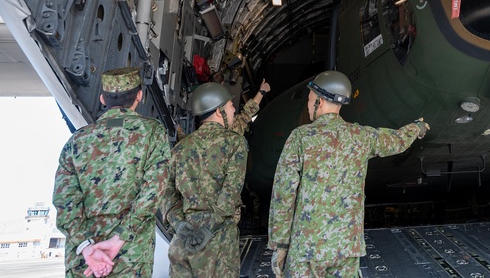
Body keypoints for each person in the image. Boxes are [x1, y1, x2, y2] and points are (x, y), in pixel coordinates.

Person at [268, 71, 428, 277]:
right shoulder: (361, 136)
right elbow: (397, 141)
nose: (308, 106)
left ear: (319, 101)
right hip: (347, 247)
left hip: (308, 249)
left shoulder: (300, 138)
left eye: (309, 100)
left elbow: (283, 193)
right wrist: (417, 127)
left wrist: (280, 244)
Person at [53, 67, 171, 278]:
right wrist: (120, 238)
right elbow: (153, 191)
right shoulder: (152, 132)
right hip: (130, 254)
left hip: (84, 260)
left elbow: (64, 202)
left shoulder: (76, 141)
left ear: (102, 98)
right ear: (139, 96)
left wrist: (86, 246)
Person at [164, 83, 248, 278]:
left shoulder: (179, 149)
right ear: (219, 111)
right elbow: (231, 191)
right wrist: (208, 231)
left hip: (183, 240)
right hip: (218, 241)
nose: (234, 110)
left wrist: (179, 226)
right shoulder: (234, 143)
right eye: (230, 106)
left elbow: (167, 193)